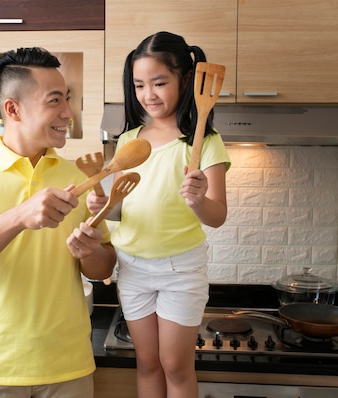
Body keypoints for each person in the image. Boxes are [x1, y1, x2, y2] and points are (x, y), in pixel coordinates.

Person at [0, 47, 116, 398]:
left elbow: (101, 267)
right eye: (54, 101)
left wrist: (90, 251)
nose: (67, 113)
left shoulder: (80, 176)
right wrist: (18, 217)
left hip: (69, 366)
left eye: (67, 99)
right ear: (13, 108)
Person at [87, 31, 231, 398]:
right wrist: (102, 204)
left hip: (180, 269)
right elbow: (122, 207)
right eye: (138, 85)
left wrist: (198, 200)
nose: (148, 94)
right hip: (132, 266)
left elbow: (216, 216)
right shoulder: (130, 140)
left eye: (159, 82)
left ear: (186, 80)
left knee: (175, 366)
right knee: (147, 363)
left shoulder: (203, 141)